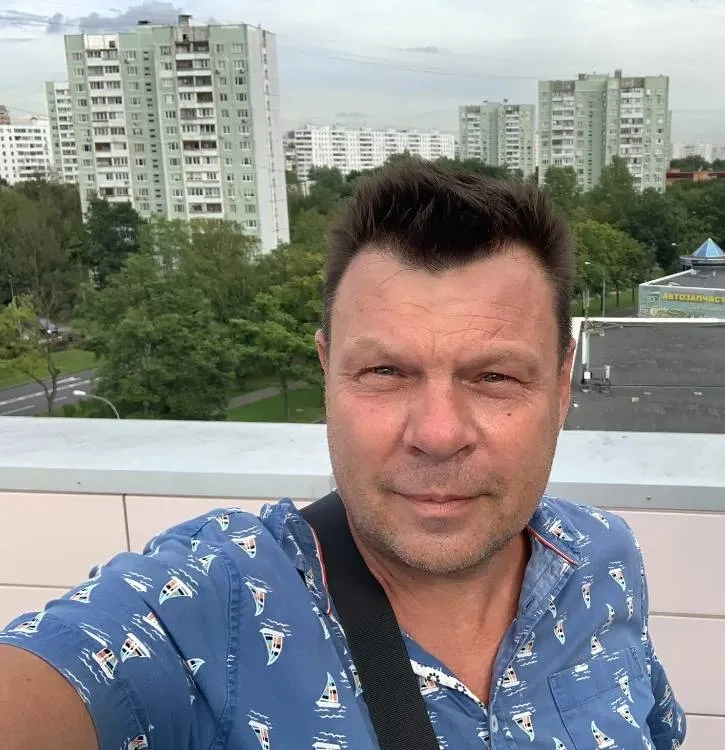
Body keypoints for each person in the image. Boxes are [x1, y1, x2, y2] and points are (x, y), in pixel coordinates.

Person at [0, 160, 686, 749]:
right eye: (385, 371)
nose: (438, 433)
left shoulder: (602, 560)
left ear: (561, 388)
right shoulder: (210, 608)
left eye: (495, 376)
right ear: (327, 372)